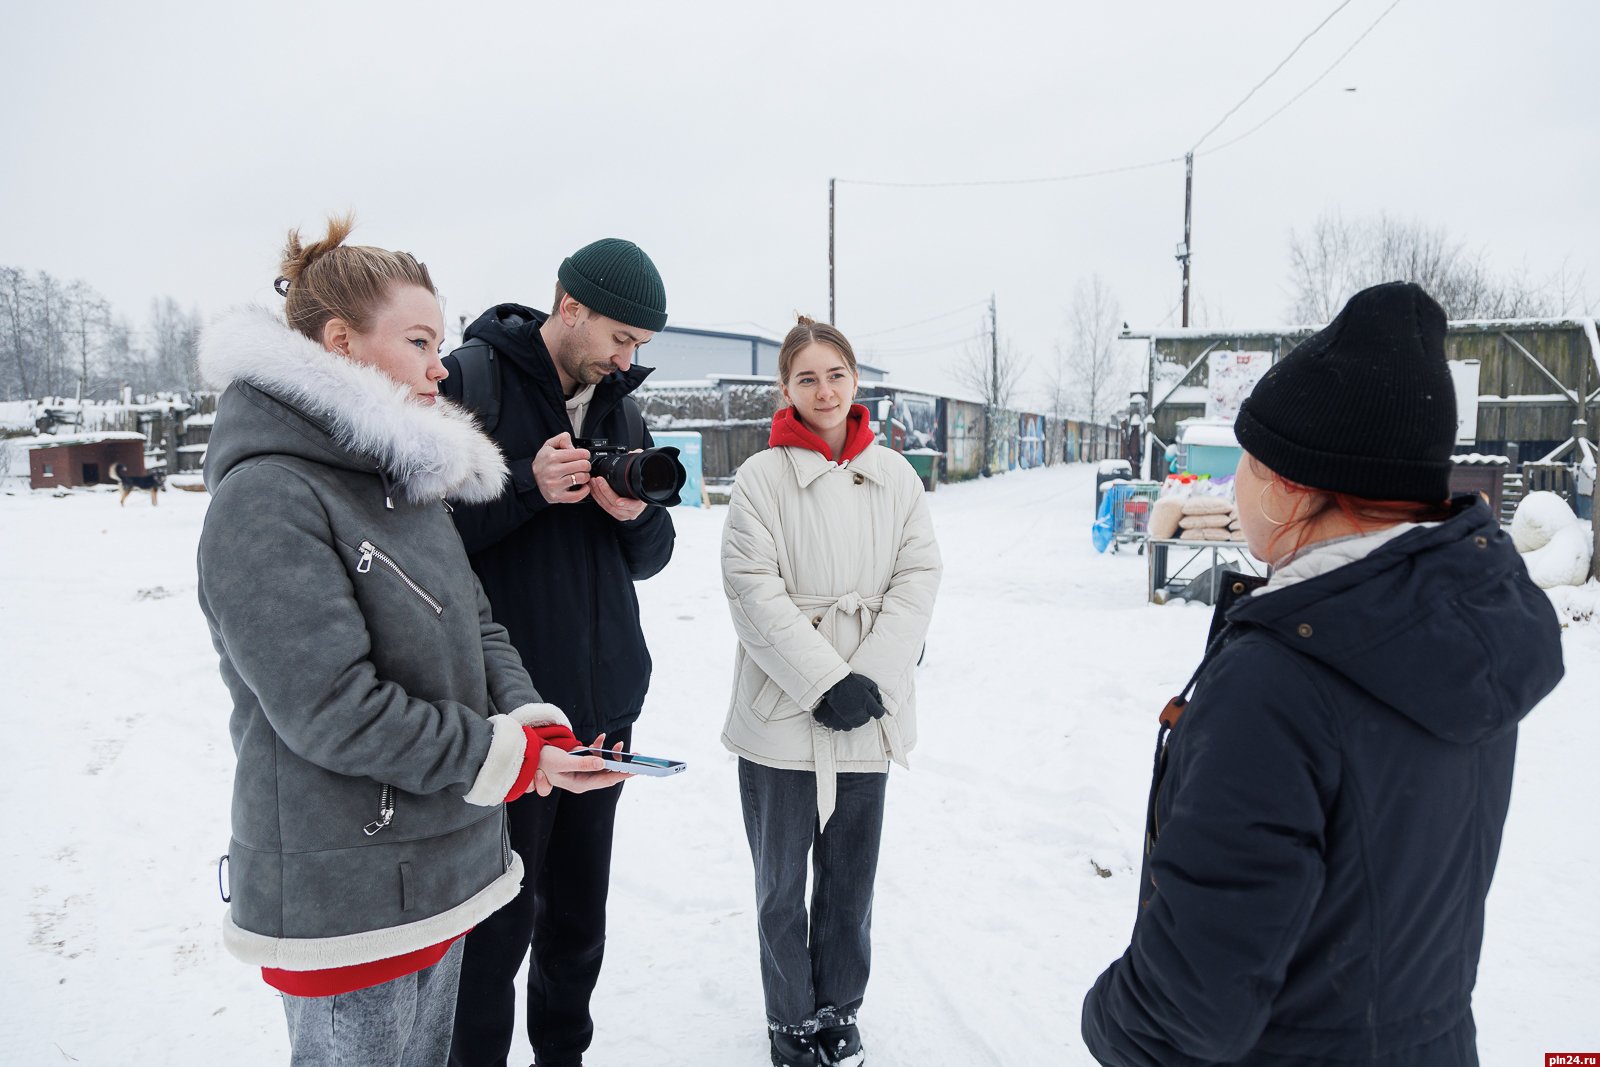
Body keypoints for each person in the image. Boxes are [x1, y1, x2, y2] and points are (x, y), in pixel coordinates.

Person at [1081, 282, 1566, 1066]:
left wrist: (1106, 1016)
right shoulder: (1462, 629)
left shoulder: (1279, 681)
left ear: (1293, 483)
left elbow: (1191, 1005)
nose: (1235, 482)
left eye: (1248, 459)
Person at [196, 217, 626, 1066]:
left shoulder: (408, 480)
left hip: (440, 869)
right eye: (421, 341)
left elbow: (478, 621)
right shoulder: (268, 496)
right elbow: (334, 710)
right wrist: (499, 756)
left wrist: (532, 726)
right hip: (346, 894)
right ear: (340, 341)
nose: (441, 367)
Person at [443, 239, 676, 1067]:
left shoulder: (621, 407)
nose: (627, 359)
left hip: (602, 711)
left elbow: (653, 557)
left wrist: (634, 517)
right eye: (621, 338)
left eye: (640, 345)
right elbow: (422, 541)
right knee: (493, 934)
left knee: (577, 925)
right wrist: (525, 486)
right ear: (569, 306)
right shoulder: (469, 383)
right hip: (508, 719)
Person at [721, 316, 942, 1067]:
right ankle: (789, 1019)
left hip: (869, 713)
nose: (824, 390)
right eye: (807, 378)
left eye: (836, 374)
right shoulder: (761, 478)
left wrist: (868, 677)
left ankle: (839, 1008)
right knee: (781, 886)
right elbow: (751, 588)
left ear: (855, 381)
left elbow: (918, 576)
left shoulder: (897, 476)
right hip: (781, 712)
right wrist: (824, 680)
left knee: (850, 883)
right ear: (786, 388)